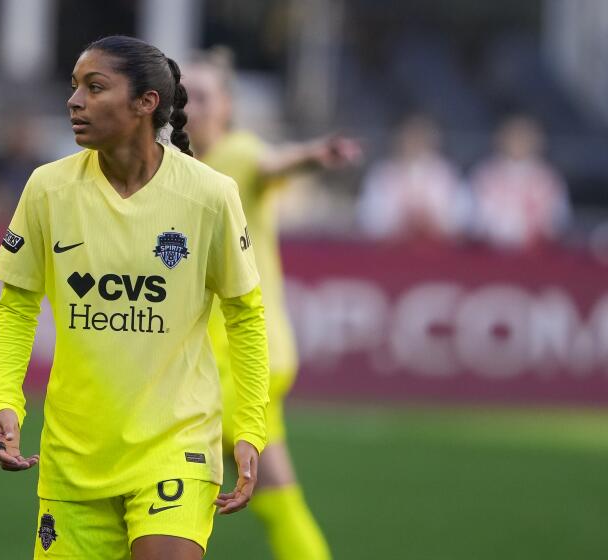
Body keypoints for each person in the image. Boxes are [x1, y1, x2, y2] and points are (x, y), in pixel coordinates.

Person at [0, 36, 270, 560]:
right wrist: (5, 402)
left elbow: (246, 316)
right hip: (75, 457)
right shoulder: (47, 189)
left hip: (175, 447)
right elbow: (17, 306)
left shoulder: (209, 195)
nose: (74, 101)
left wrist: (249, 428)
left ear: (146, 103)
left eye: (95, 88)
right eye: (74, 88)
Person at [182, 49, 360, 560]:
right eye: (183, 96)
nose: (190, 107)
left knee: (160, 479)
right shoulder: (187, 167)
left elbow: (269, 163)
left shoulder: (234, 155)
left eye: (202, 97)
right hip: (254, 358)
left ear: (227, 106)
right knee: (278, 495)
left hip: (233, 364)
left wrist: (310, 155)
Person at [357, 113, 470, 243]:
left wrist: (432, 219)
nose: (415, 141)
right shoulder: (382, 173)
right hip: (393, 250)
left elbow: (462, 219)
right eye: (410, 136)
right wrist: (401, 219)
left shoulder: (447, 174)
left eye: (421, 136)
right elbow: (369, 218)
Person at [470, 115, 570, 250]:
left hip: (534, 253)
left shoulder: (547, 178)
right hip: (490, 251)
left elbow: (558, 220)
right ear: (500, 138)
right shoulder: (484, 174)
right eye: (514, 135)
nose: (519, 141)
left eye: (525, 136)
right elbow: (472, 218)